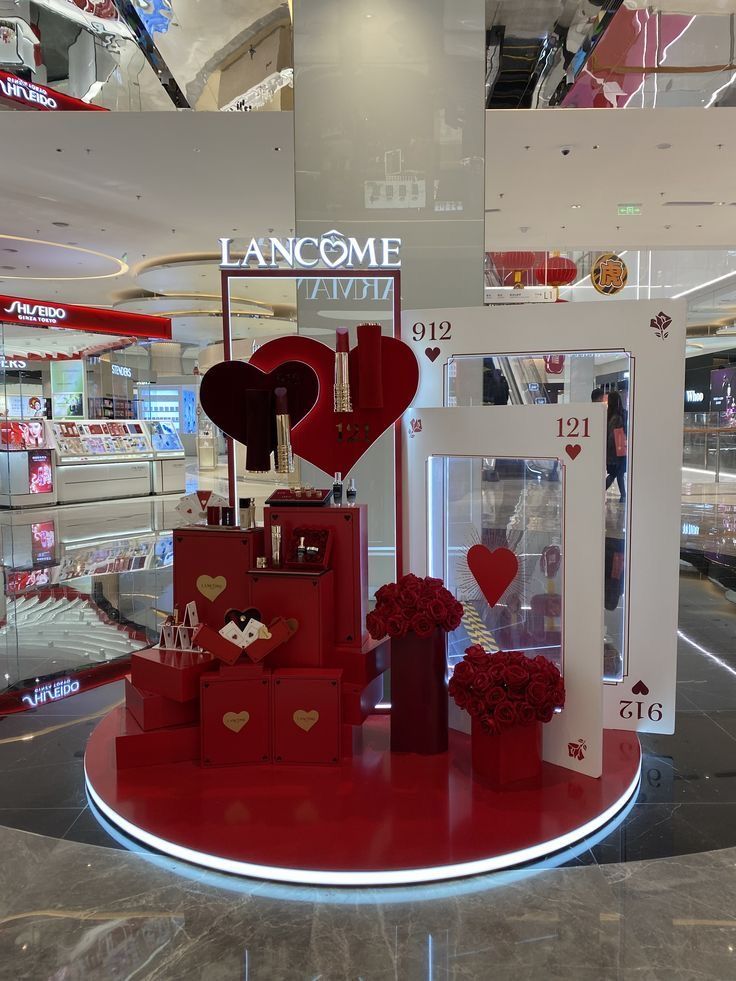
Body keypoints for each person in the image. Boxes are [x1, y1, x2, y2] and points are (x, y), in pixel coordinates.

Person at [605, 390, 627, 502]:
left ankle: (623, 496)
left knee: (617, 473)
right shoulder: (619, 416)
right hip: (618, 451)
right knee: (616, 473)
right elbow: (615, 436)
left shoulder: (608, 415)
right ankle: (623, 496)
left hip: (611, 451)